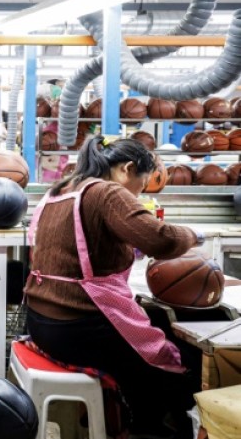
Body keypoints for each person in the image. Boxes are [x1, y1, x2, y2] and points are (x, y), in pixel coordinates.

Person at [25, 136, 203, 439]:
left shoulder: (60, 191)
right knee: (179, 362)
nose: (140, 193)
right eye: (142, 183)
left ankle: (129, 416)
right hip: (77, 327)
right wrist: (193, 235)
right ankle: (150, 428)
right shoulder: (106, 192)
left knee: (159, 324)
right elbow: (162, 239)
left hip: (42, 321)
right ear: (128, 169)